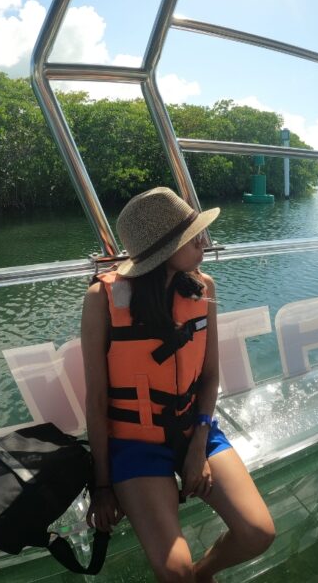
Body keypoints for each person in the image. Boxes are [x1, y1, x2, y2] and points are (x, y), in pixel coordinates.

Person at [81, 187, 275, 581]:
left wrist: (198, 446)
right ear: (162, 252)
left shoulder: (204, 287)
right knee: (175, 571)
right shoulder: (101, 299)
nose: (205, 243)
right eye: (195, 237)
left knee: (258, 533)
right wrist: (102, 485)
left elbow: (210, 376)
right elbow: (98, 399)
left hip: (195, 428)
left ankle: (204, 574)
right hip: (133, 442)